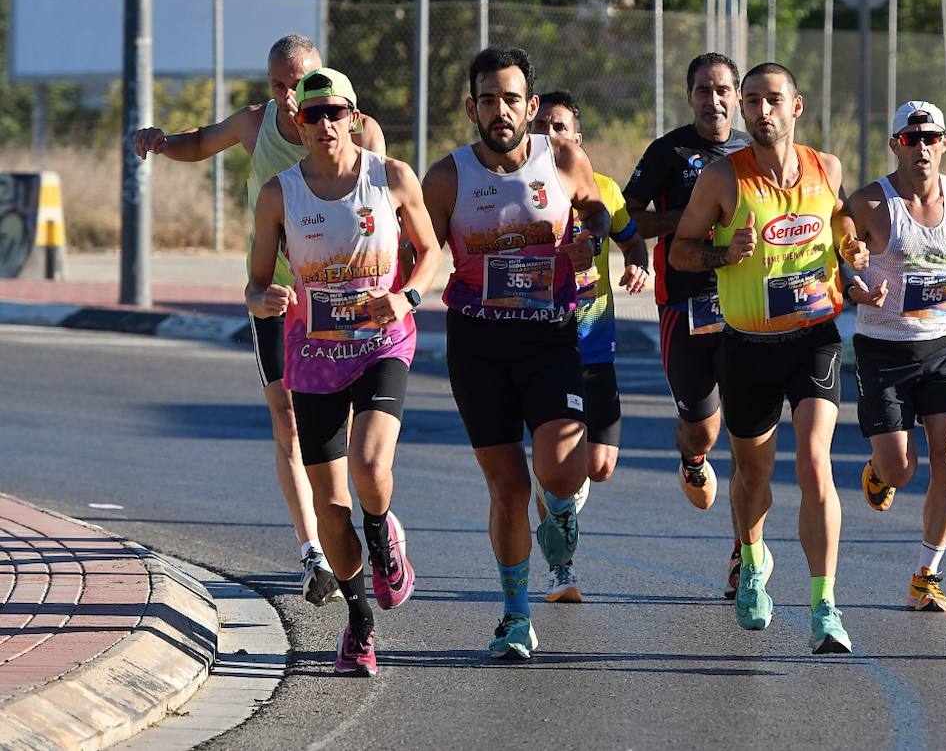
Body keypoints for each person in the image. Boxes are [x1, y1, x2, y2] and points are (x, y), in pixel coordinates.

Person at [134, 34, 386, 607]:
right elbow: (200, 142)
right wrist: (160, 141)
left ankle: (364, 521)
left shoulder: (358, 128)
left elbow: (385, 202)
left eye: (301, 84)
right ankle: (314, 554)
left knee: (349, 426)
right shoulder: (257, 123)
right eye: (279, 85)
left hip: (346, 299)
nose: (291, 98)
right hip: (278, 297)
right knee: (288, 421)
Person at [246, 67, 440, 676]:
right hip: (314, 357)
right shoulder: (279, 194)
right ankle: (360, 624)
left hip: (383, 342)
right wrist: (264, 301)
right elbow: (254, 283)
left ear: (354, 117)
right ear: (297, 124)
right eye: (312, 115)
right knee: (330, 509)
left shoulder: (392, 178)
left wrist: (407, 296)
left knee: (370, 466)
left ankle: (382, 533)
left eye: (335, 112)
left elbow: (433, 252)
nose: (324, 124)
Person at [670, 62, 867, 655]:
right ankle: (754, 560)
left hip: (814, 337)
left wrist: (853, 249)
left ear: (796, 106)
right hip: (747, 345)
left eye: (772, 100)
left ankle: (824, 604)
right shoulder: (723, 178)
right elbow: (680, 251)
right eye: (751, 101)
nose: (761, 111)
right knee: (753, 473)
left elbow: (843, 222)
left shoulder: (824, 168)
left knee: (814, 463)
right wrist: (721, 253)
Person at [422, 47, 610, 659]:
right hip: (476, 342)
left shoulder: (559, 157)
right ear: (471, 107)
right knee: (506, 487)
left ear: (531, 105)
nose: (499, 111)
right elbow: (417, 251)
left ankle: (559, 510)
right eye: (487, 100)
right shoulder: (447, 177)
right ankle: (514, 613)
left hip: (548, 334)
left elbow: (595, 210)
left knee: (558, 469)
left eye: (510, 99)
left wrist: (591, 241)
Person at [623, 52, 749, 598]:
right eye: (703, 90)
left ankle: (746, 556)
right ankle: (692, 456)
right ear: (690, 95)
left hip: (750, 306)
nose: (714, 100)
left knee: (750, 437)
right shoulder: (667, 152)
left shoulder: (754, 148)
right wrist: (695, 215)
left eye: (723, 90)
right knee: (704, 426)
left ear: (737, 95)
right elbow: (628, 218)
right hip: (686, 302)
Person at [843, 101, 946, 613]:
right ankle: (880, 471)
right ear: (895, 144)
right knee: (901, 470)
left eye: (931, 137)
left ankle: (927, 574)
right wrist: (855, 288)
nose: (922, 147)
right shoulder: (871, 204)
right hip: (883, 349)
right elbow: (837, 264)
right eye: (911, 138)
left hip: (942, 344)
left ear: (943, 143)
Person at [529, 90, 650, 602]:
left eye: (560, 127)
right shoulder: (522, 192)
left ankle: (558, 500)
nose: (550, 136)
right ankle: (562, 567)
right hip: (545, 347)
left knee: (599, 466)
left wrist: (638, 263)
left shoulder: (603, 189)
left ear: (577, 139)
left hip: (596, 348)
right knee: (558, 467)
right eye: (542, 127)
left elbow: (630, 235)